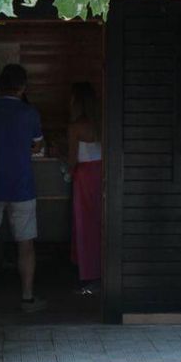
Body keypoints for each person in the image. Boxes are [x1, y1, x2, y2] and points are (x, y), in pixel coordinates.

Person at [0, 64, 46, 312]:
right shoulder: (29, 113)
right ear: (23, 87)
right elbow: (38, 145)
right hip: (22, 186)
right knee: (25, 244)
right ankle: (27, 298)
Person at [68, 82, 103, 295]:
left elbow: (73, 159)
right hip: (101, 174)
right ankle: (101, 270)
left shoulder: (75, 126)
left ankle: (89, 273)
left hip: (84, 177)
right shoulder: (101, 122)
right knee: (100, 222)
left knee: (84, 225)